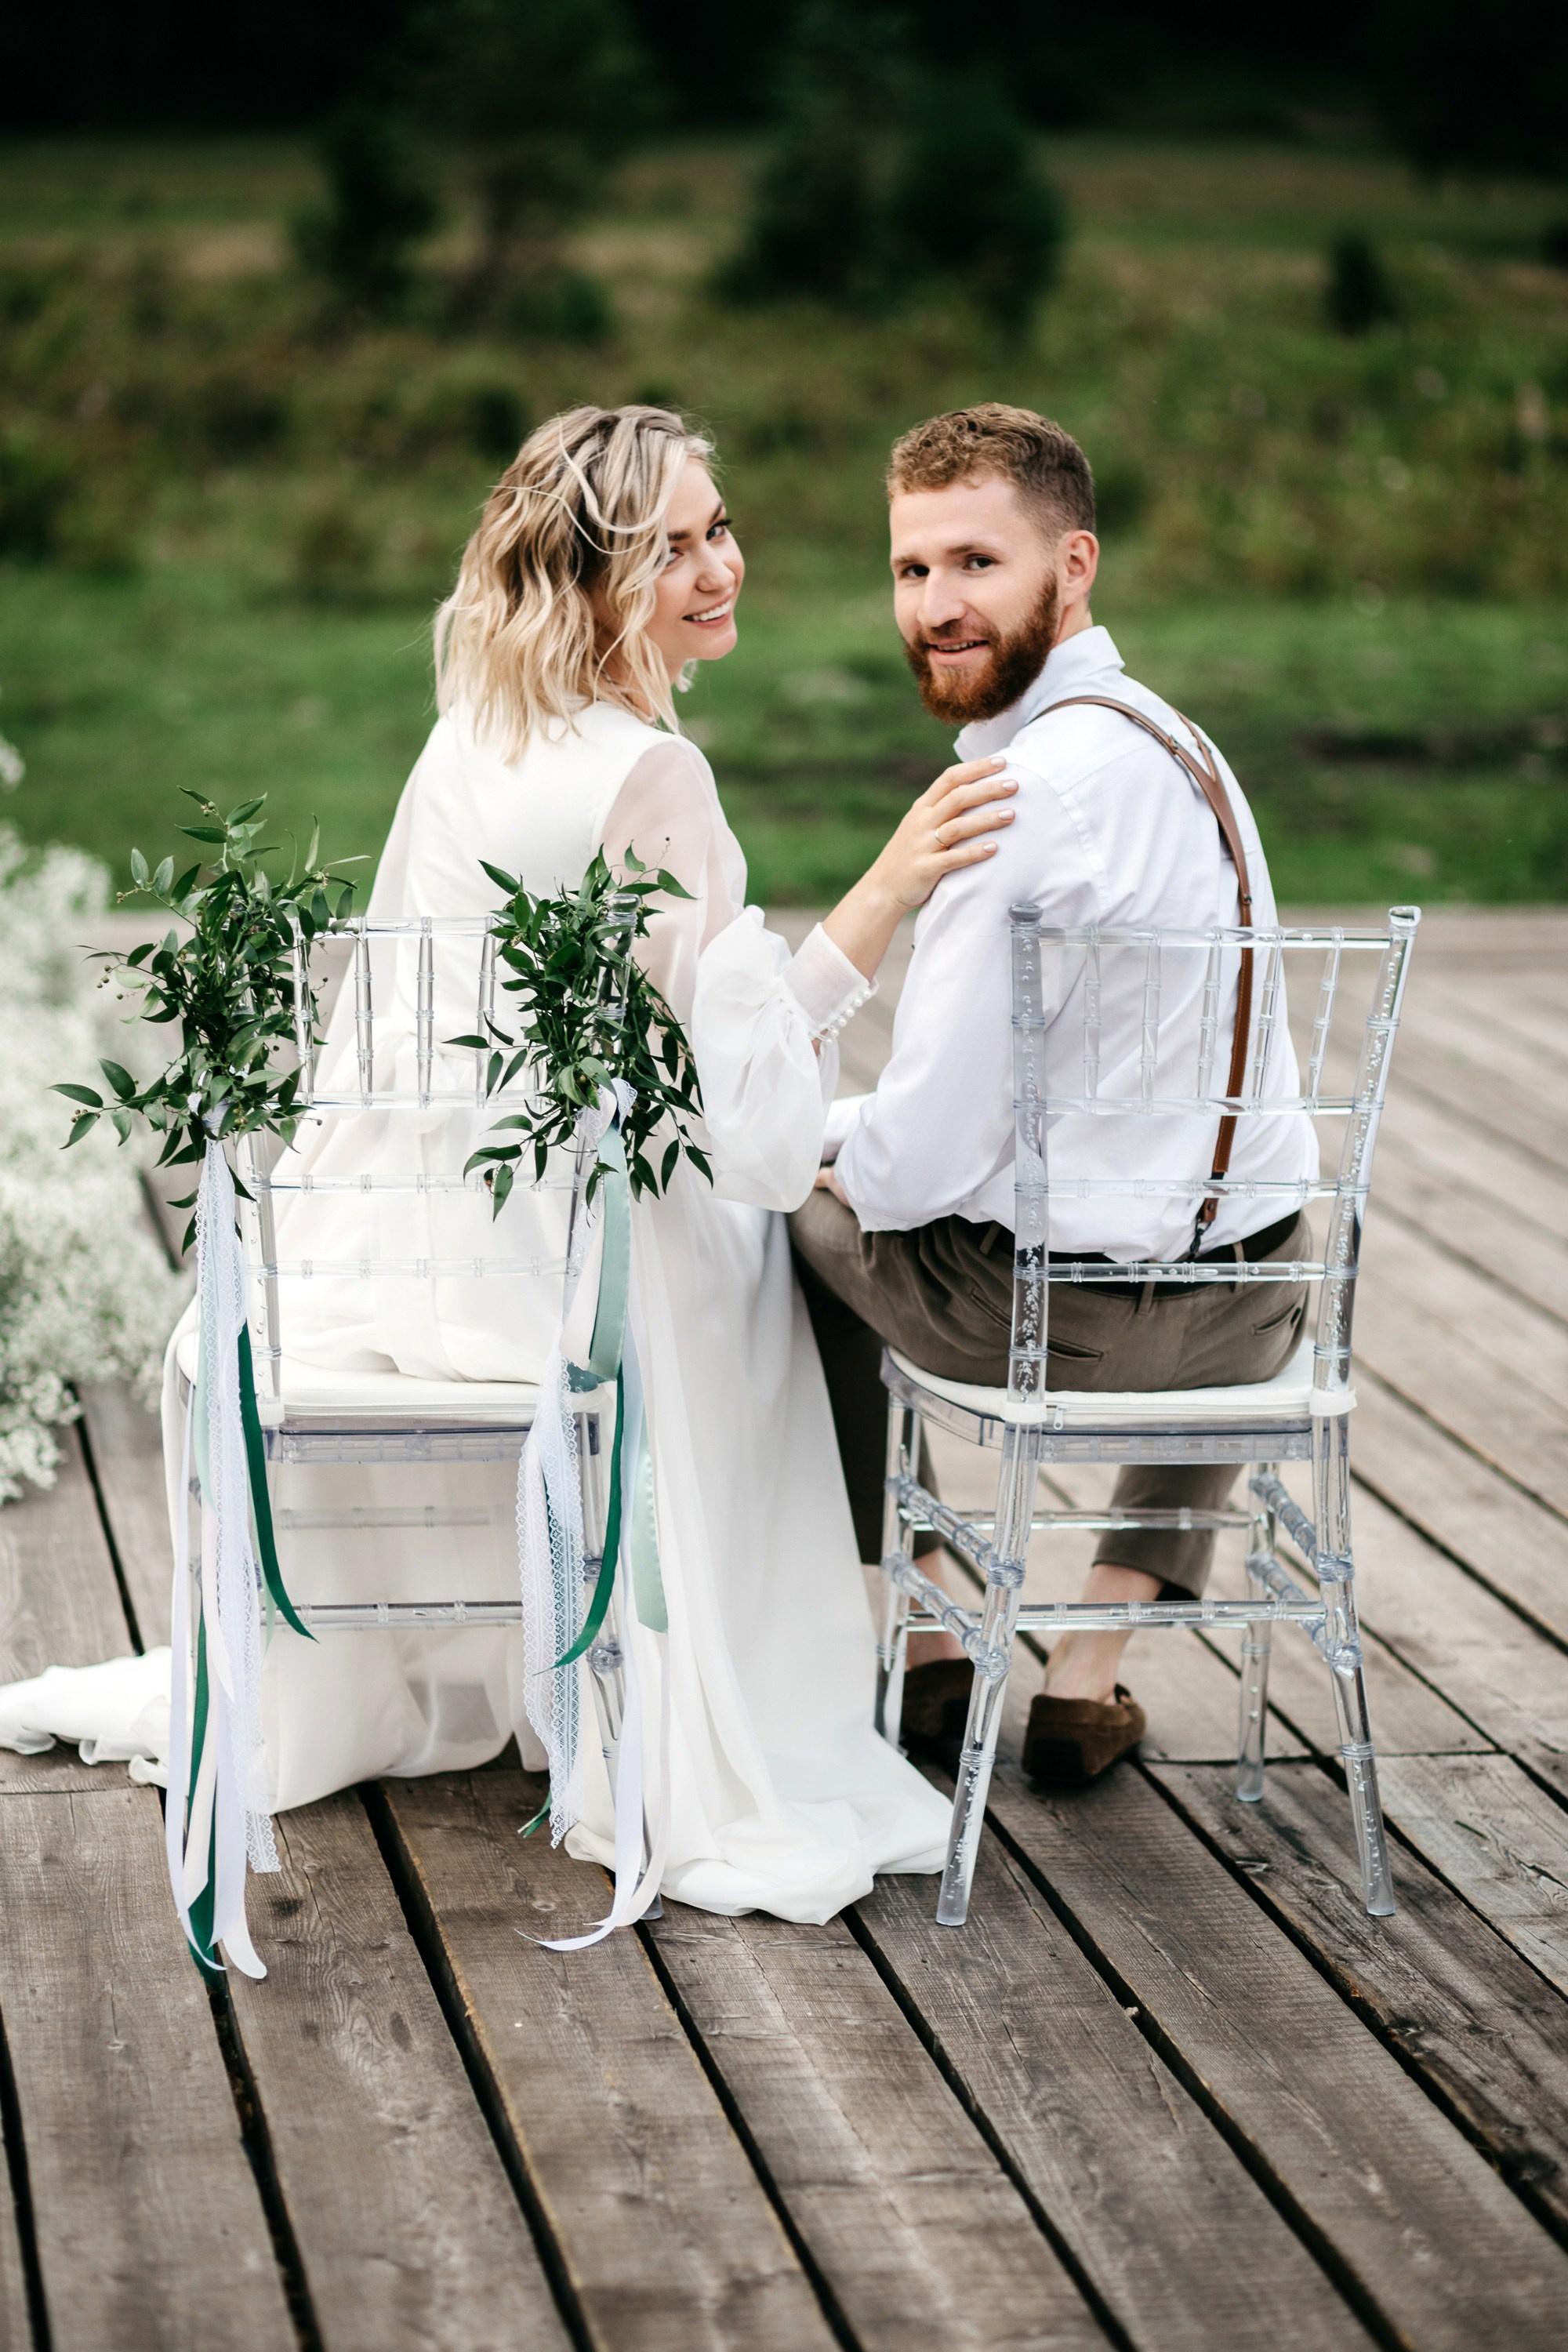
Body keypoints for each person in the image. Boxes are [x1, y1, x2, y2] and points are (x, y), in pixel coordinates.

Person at [1, 405, 1018, 1933]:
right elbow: (739, 1126)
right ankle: (866, 1654)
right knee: (802, 1244)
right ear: (596, 574)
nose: (716, 564)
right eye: (672, 543)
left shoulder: (474, 730)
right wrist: (884, 894)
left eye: (718, 528)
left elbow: (405, 1033)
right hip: (595, 1261)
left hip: (445, 1240)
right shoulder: (649, 778)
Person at [789, 402, 1318, 1787]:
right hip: (1258, 1312)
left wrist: (823, 1146)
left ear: (1072, 566)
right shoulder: (1186, 749)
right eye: (911, 571)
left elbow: (910, 1174)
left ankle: (928, 1625)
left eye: (977, 563)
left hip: (1056, 1330)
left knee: (769, 1202)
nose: (935, 606)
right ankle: (1091, 1672)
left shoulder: (1018, 796)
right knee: (1241, 1210)